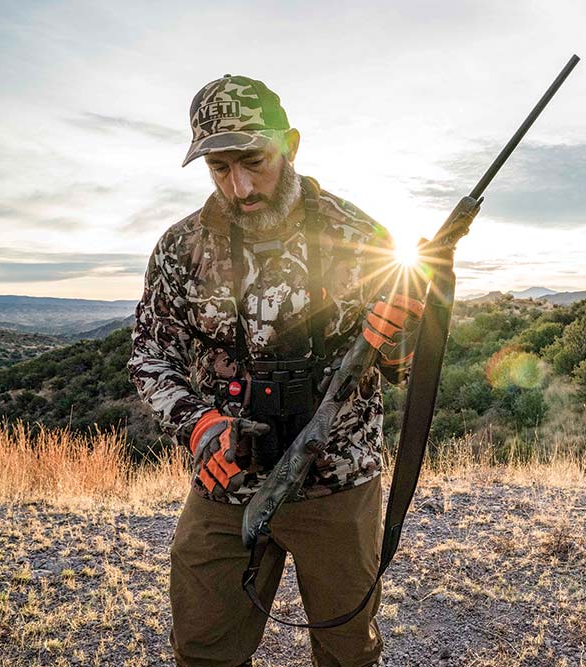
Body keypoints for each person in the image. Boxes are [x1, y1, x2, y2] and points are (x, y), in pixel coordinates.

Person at [128, 74, 429, 667]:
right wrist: (201, 426)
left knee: (348, 651)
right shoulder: (179, 248)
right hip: (227, 482)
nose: (239, 187)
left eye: (253, 162)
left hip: (338, 482)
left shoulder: (361, 237)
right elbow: (150, 356)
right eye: (219, 169)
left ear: (290, 143)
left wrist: (403, 333)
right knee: (203, 647)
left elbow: (402, 367)